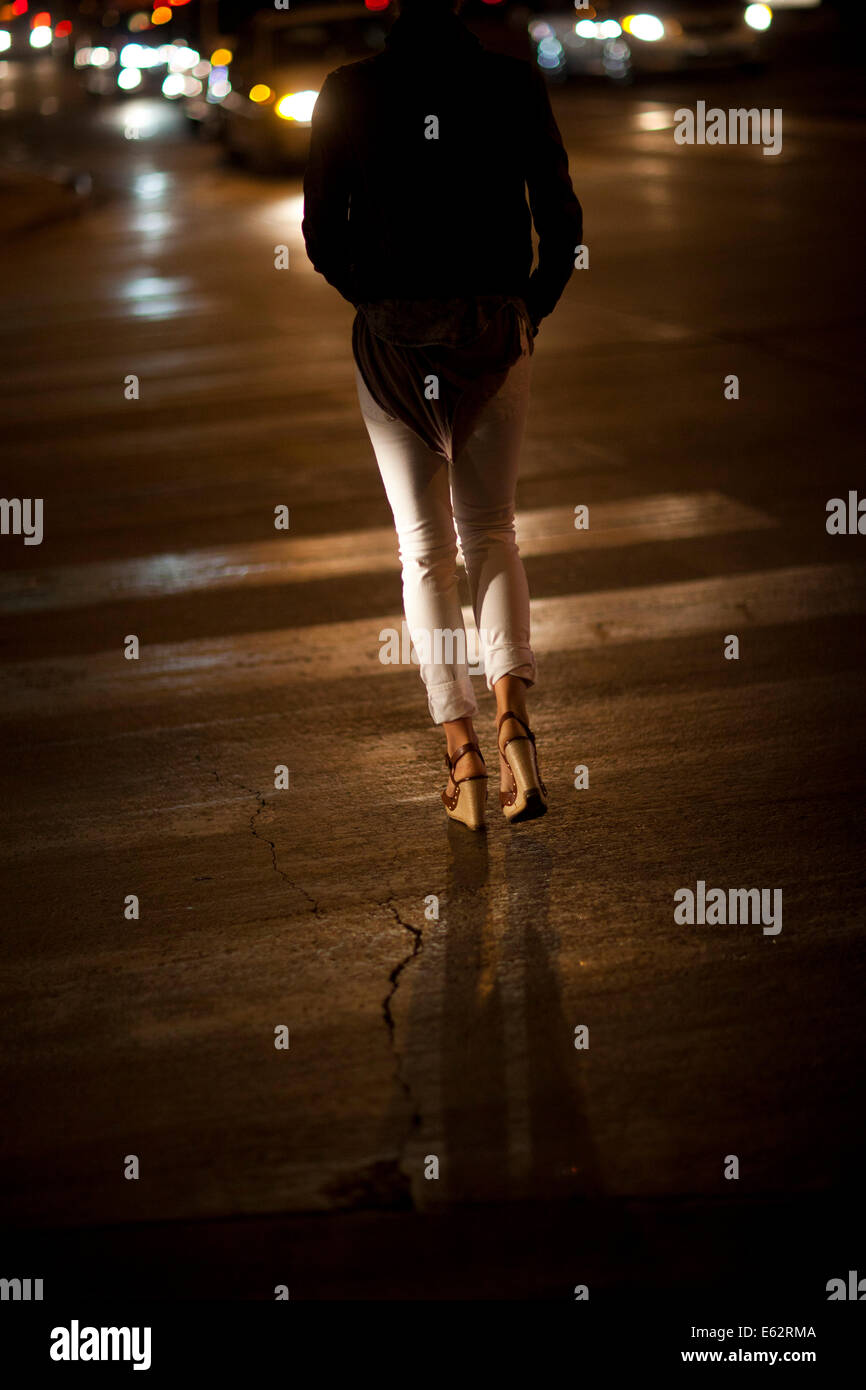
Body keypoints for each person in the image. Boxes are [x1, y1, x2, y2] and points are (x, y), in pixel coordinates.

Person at [302, 0, 582, 830]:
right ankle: (517, 734)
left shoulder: (347, 90)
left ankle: (461, 761)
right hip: (495, 329)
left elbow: (321, 233)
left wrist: (379, 302)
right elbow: (560, 217)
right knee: (492, 530)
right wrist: (530, 307)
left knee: (424, 552)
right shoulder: (511, 82)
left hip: (393, 341)